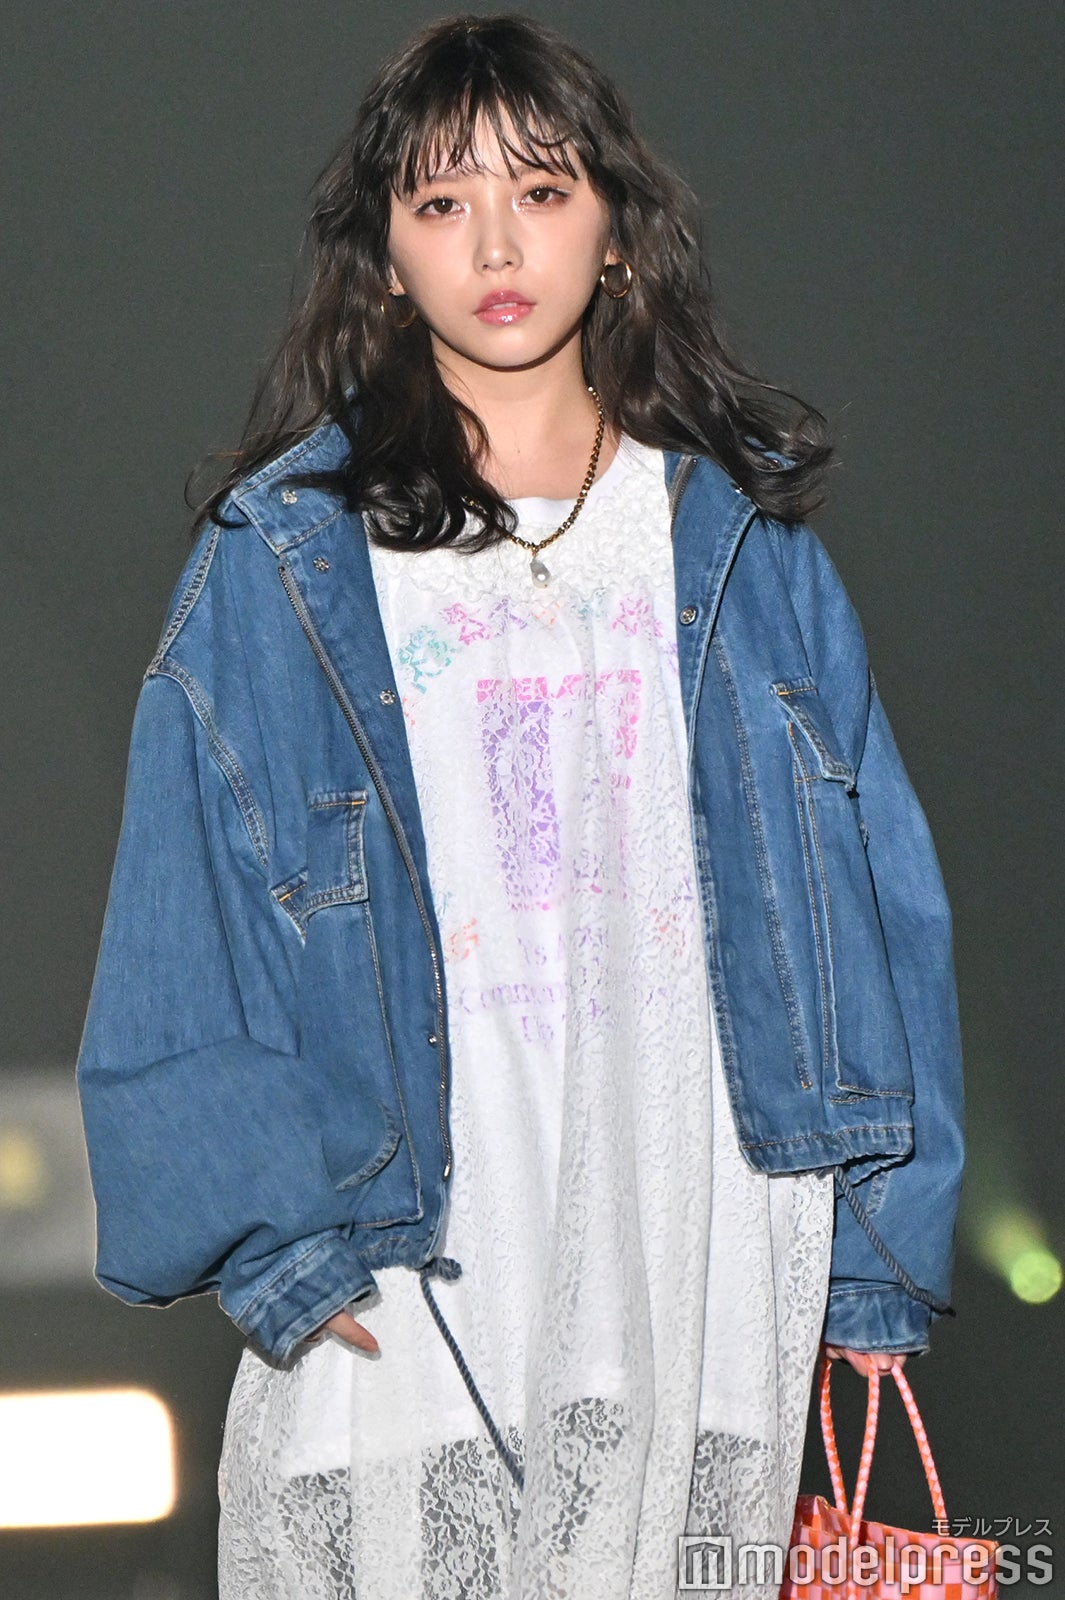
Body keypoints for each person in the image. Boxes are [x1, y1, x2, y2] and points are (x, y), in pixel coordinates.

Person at [75, 13, 965, 1599]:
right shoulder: (286, 558)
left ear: (615, 230)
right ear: (384, 256)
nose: (495, 244)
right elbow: (186, 904)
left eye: (541, 191)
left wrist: (876, 1246)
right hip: (413, 1239)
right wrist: (271, 1245)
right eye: (441, 201)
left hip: (696, 1226)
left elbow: (873, 889)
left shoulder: (737, 546)